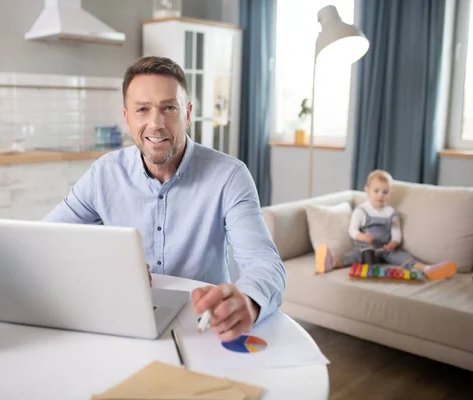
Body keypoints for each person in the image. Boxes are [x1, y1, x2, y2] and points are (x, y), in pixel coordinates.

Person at [43, 56, 286, 342]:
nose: (155, 123)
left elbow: (264, 262)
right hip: (122, 323)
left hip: (204, 327)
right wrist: (101, 264)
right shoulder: (104, 174)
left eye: (169, 108)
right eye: (142, 109)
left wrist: (249, 300)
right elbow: (47, 239)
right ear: (127, 118)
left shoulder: (230, 176)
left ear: (187, 113)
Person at [315, 169, 457, 280]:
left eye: (385, 192)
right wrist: (363, 237)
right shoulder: (362, 210)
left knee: (403, 257)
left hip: (386, 249)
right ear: (367, 190)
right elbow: (352, 230)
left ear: (390, 193)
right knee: (352, 257)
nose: (380, 195)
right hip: (366, 248)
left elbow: (396, 233)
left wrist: (393, 243)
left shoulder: (391, 213)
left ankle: (428, 269)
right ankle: (331, 263)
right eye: (376, 191)